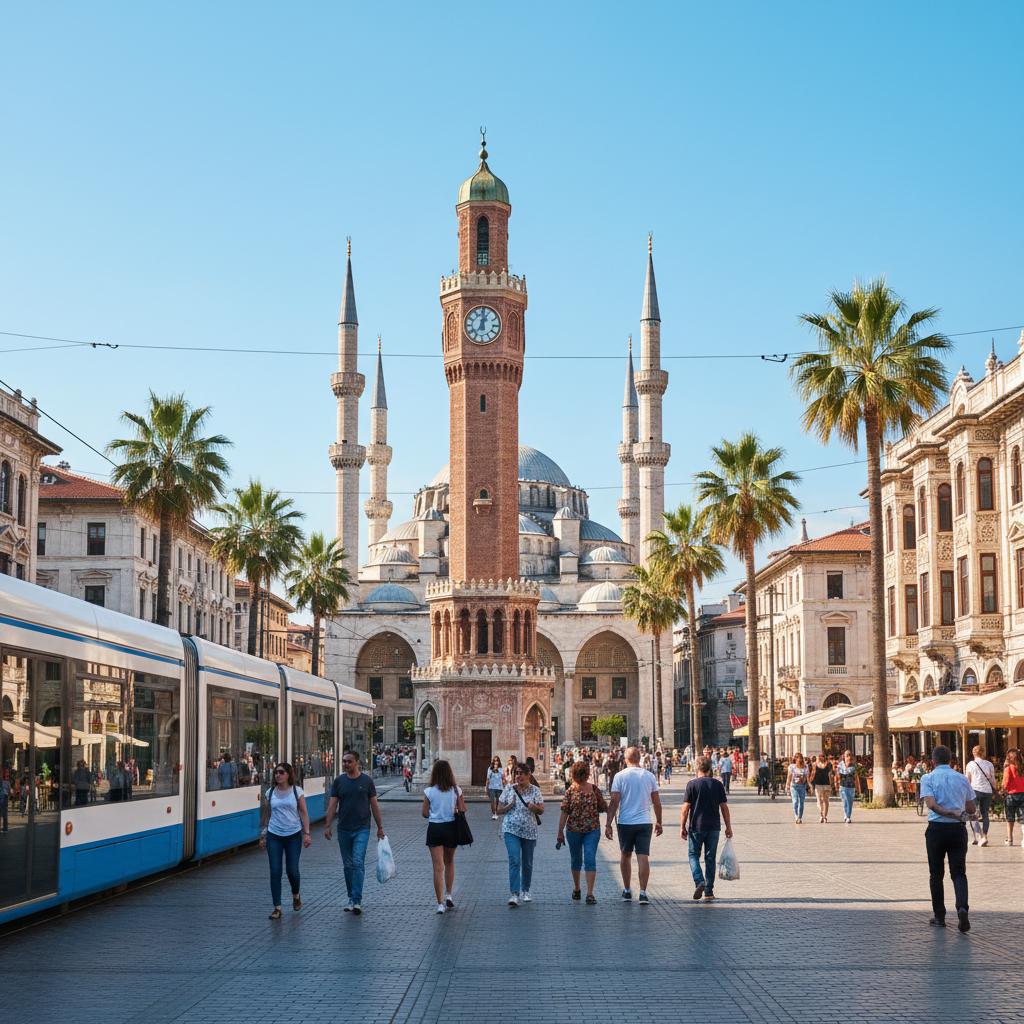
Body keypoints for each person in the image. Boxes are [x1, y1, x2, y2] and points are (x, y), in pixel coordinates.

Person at [920, 744, 975, 932]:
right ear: (951, 760)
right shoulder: (961, 778)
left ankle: (939, 916)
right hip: (958, 830)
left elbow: (931, 805)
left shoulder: (927, 778)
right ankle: (961, 908)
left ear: (933, 761)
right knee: (959, 872)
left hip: (936, 830)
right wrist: (956, 811)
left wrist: (947, 812)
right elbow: (971, 808)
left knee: (936, 874)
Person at [324, 750, 385, 915]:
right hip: (343, 829)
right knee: (348, 865)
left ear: (357, 762)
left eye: (349, 761)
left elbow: (374, 805)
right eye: (344, 761)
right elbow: (332, 805)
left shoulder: (366, 781)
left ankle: (356, 900)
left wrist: (380, 827)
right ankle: (351, 897)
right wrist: (327, 825)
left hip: (362, 828)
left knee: (357, 862)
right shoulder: (339, 782)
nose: (346, 764)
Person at [605, 746, 663, 905]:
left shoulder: (620, 776)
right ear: (639, 758)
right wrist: (659, 821)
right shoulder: (649, 776)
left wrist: (608, 823)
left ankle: (627, 890)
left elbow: (614, 802)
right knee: (643, 856)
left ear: (625, 759)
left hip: (626, 822)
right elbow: (656, 802)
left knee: (625, 855)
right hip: (644, 822)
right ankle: (643, 892)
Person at [259, 762, 311, 920]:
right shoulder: (270, 792)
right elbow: (266, 815)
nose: (278, 775)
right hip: (274, 835)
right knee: (275, 871)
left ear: (288, 774)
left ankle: (296, 894)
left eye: (281, 772)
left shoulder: (297, 791)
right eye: (276, 772)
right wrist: (263, 834)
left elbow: (303, 812)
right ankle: (277, 907)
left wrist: (307, 833)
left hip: (293, 835)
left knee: (292, 871)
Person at [680, 757, 733, 902]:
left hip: (696, 826)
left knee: (693, 855)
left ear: (696, 768)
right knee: (710, 858)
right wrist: (728, 827)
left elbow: (685, 809)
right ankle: (709, 891)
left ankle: (699, 881)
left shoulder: (692, 785)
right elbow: (724, 807)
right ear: (710, 768)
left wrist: (682, 826)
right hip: (714, 827)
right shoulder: (717, 784)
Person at [557, 760, 607, 904]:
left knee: (590, 858)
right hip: (574, 831)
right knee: (576, 859)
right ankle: (577, 888)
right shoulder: (570, 791)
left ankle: (590, 893)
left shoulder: (594, 789)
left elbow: (602, 806)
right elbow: (564, 812)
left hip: (592, 830)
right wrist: (560, 832)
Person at [422, 759, 465, 914]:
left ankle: (440, 903)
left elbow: (425, 813)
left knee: (437, 867)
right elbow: (462, 809)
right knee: (449, 862)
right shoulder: (456, 790)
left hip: (435, 828)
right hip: (451, 827)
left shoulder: (429, 791)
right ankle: (449, 894)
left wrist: (435, 811)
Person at [497, 762, 543, 906]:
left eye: (522, 773)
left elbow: (541, 810)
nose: (519, 776)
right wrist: (509, 805)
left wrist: (533, 807)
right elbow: (498, 810)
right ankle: (514, 893)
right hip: (511, 829)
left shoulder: (535, 790)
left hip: (529, 831)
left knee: (527, 863)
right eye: (516, 773)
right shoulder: (509, 789)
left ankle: (526, 890)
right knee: (515, 859)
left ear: (528, 775)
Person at [963, 745, 996, 847]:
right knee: (985, 813)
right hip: (987, 791)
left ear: (973, 753)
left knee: (973, 814)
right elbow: (993, 780)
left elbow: (968, 781)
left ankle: (978, 836)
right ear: (983, 753)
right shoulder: (989, 764)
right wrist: (994, 790)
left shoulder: (970, 764)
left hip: (975, 791)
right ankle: (984, 836)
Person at [1002, 747, 1024, 847]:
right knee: (1023, 818)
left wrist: (1002, 790)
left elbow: (1005, 783)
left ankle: (1010, 839)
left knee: (1010, 818)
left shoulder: (1008, 768)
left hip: (1011, 795)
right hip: (1023, 794)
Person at [837, 750, 860, 823]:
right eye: (847, 755)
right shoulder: (840, 765)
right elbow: (837, 776)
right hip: (843, 786)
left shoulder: (854, 766)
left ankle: (848, 816)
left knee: (850, 802)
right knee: (845, 802)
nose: (848, 757)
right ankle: (846, 815)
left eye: (850, 755)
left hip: (851, 787)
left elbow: (856, 778)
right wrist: (836, 785)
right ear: (844, 756)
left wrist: (858, 788)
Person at [810, 753, 834, 823]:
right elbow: (813, 773)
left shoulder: (829, 764)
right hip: (818, 785)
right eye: (820, 757)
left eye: (823, 756)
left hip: (827, 785)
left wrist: (832, 784)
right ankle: (821, 814)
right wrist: (810, 783)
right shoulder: (815, 764)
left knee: (825, 800)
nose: (821, 758)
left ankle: (825, 816)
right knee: (819, 801)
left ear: (825, 757)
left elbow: (831, 774)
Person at [786, 753, 809, 824]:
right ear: (795, 759)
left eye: (801, 758)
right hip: (794, 786)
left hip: (802, 786)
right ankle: (796, 815)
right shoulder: (792, 767)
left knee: (801, 802)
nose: (800, 760)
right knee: (795, 801)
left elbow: (807, 777)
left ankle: (800, 817)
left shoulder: (805, 767)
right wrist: (787, 785)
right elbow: (789, 776)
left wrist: (804, 780)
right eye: (799, 758)